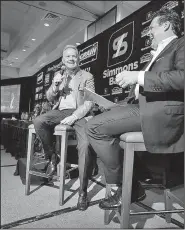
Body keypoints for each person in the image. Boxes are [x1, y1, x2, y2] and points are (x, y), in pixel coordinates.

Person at [86, 7, 184, 210]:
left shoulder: (180, 44)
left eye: (152, 27)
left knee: (94, 128)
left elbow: (181, 78)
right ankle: (133, 184)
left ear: (166, 25)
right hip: (142, 108)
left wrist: (138, 76)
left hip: (161, 114)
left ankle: (125, 186)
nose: (149, 32)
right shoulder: (158, 52)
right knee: (98, 121)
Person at [33, 44, 97, 211]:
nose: (71, 58)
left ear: (78, 58)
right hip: (60, 112)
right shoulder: (59, 75)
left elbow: (90, 102)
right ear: (63, 60)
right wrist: (54, 86)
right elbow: (49, 98)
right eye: (67, 56)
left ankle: (82, 192)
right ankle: (52, 157)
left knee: (85, 145)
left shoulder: (87, 76)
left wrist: (74, 116)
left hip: (80, 113)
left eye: (73, 56)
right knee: (39, 121)